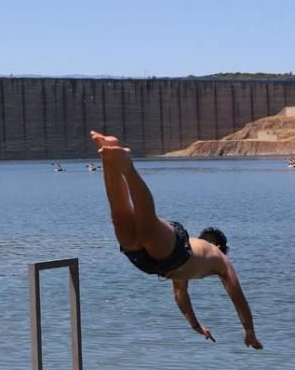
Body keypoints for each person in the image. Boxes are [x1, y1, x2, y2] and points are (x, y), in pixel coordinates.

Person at [91, 131, 262, 349]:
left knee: (119, 213)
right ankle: (126, 165)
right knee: (142, 216)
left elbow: (180, 296)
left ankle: (109, 156)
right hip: (169, 254)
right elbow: (238, 297)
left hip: (157, 263)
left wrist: (196, 326)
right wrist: (249, 332)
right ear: (219, 245)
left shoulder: (188, 268)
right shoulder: (219, 257)